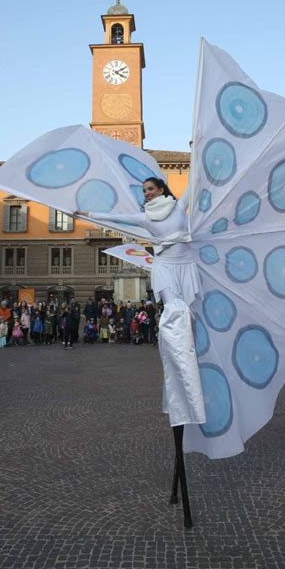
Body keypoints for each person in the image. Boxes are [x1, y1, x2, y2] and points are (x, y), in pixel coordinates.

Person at [78, 176, 206, 428]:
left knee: (189, 317)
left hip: (186, 266)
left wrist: (199, 149)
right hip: (164, 266)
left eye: (150, 189)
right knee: (174, 311)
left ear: (161, 189)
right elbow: (115, 218)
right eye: (144, 190)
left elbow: (195, 180)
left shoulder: (179, 207)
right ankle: (187, 386)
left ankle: (195, 367)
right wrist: (87, 213)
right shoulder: (145, 218)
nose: (146, 193)